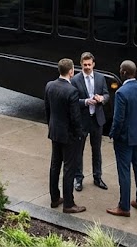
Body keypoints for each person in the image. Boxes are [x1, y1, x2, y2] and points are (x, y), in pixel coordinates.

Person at [106, 60, 137, 217]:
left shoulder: (121, 93)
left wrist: (113, 134)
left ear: (124, 72)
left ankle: (124, 207)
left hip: (124, 139)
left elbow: (118, 119)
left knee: (124, 172)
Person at [45, 58, 86, 214]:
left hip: (55, 132)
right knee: (69, 169)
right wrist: (79, 134)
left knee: (55, 165)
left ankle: (55, 198)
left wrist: (51, 126)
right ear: (71, 71)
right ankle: (68, 203)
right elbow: (75, 118)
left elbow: (47, 109)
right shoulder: (72, 91)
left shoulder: (49, 86)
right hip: (69, 136)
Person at [70, 52, 109, 192]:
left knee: (96, 150)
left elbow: (107, 94)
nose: (87, 67)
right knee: (78, 151)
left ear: (93, 64)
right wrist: (86, 102)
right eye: (85, 65)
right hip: (82, 120)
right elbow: (73, 100)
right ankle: (78, 178)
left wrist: (102, 99)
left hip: (96, 120)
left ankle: (97, 177)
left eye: (89, 64)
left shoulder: (100, 78)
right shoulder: (75, 80)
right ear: (81, 64)